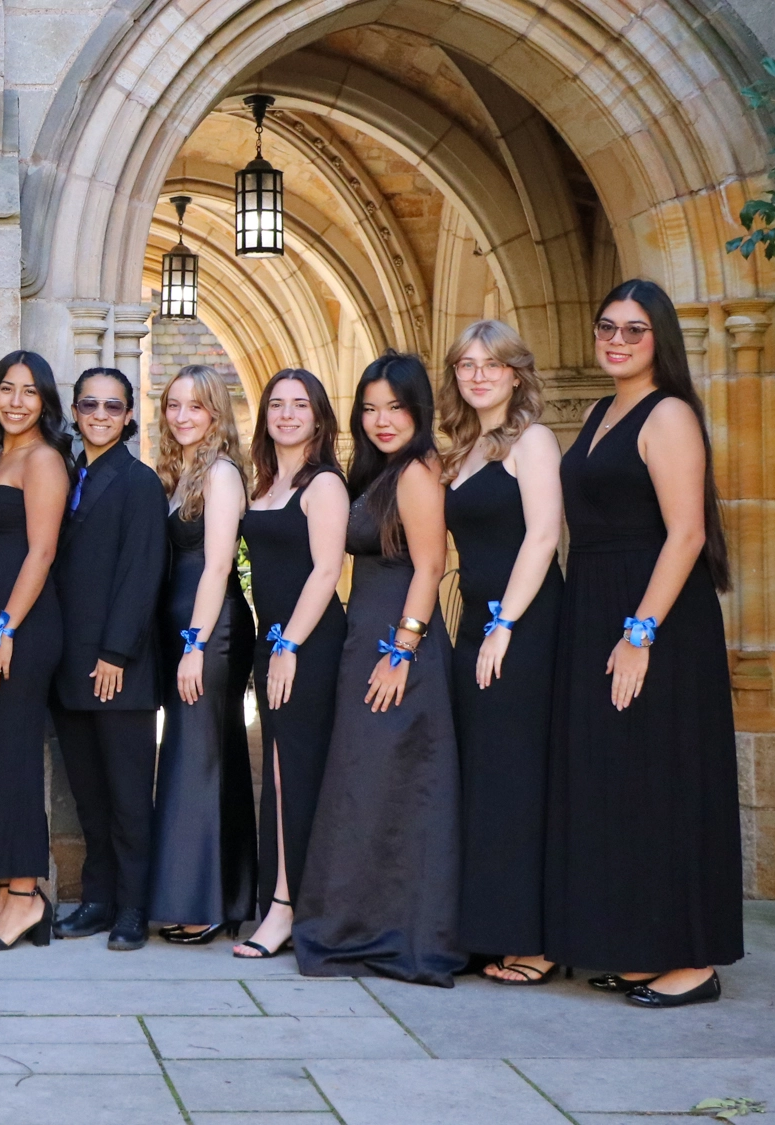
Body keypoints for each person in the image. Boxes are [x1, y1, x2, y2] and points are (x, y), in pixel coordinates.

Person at [548, 279, 741, 1008]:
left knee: (667, 781)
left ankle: (692, 960)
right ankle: (637, 943)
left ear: (660, 337)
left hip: (655, 615)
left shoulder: (670, 415)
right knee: (617, 782)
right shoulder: (603, 409)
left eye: (633, 329)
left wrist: (639, 632)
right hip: (596, 598)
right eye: (607, 327)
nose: (617, 340)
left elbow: (687, 532)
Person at [292, 352, 463, 987]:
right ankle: (363, 925)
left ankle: (405, 934)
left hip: (398, 648)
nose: (381, 419)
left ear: (418, 410)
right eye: (369, 408)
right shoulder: (381, 472)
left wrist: (402, 651)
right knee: (369, 786)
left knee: (400, 786)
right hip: (368, 641)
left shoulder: (417, 472)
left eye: (394, 406)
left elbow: (430, 566)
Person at [437, 321, 565, 985]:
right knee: (485, 779)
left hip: (523, 624)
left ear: (517, 373)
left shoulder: (532, 440)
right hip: (478, 627)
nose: (479, 374)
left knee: (519, 780)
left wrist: (505, 624)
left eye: (493, 363)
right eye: (467, 364)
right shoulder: (464, 448)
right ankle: (489, 929)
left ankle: (537, 941)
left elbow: (543, 535)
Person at [50, 367, 168, 952]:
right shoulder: (70, 474)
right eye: (90, 404)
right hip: (69, 664)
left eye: (113, 406)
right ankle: (96, 900)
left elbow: (143, 572)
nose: (100, 414)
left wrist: (117, 651)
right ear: (74, 410)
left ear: (127, 416)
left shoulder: (139, 481)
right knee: (89, 796)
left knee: (126, 797)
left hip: (118, 666)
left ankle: (131, 909)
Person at [232, 369, 348, 962]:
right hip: (273, 641)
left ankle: (287, 908)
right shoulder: (267, 482)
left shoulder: (323, 484)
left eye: (299, 404)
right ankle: (283, 899)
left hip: (308, 643)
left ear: (319, 417)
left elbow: (326, 572)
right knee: (278, 771)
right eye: (276, 404)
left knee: (291, 773)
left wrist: (289, 648)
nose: (286, 413)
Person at [0, 352, 70, 952]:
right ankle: (12, 892)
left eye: (30, 392)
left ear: (45, 401)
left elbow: (41, 552)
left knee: (14, 760)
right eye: (7, 388)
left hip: (20, 631)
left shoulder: (43, 459)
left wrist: (3, 630)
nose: (17, 401)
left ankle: (26, 896)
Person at [146, 365, 258, 945]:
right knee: (199, 753)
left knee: (200, 756)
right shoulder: (178, 473)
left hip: (211, 633)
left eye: (196, 406)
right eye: (173, 405)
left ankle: (208, 899)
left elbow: (218, 565)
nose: (182, 416)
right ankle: (227, 892)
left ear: (216, 413)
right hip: (181, 632)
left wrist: (193, 644)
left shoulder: (219, 474)